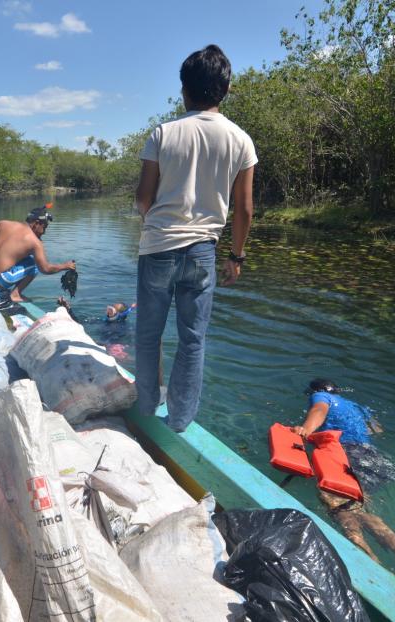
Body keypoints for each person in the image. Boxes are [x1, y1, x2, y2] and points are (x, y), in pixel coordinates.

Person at [134, 44, 257, 433]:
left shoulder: (162, 133)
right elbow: (245, 209)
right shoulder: (241, 140)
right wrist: (235, 256)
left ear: (183, 89)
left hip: (158, 248)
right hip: (204, 252)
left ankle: (146, 406)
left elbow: (142, 199)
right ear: (227, 88)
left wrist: (151, 218)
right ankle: (181, 420)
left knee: (149, 336)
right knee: (192, 341)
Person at [293, 378, 395, 599]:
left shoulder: (320, 396)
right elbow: (377, 430)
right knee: (359, 510)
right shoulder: (358, 407)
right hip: (373, 459)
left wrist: (306, 429)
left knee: (340, 510)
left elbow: (319, 409)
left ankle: (373, 567)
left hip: (350, 456)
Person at [0, 206, 76, 302]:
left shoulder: (4, 223)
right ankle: (15, 295)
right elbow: (45, 269)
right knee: (35, 265)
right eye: (44, 227)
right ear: (36, 224)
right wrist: (64, 266)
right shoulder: (34, 242)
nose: (44, 232)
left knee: (27, 259)